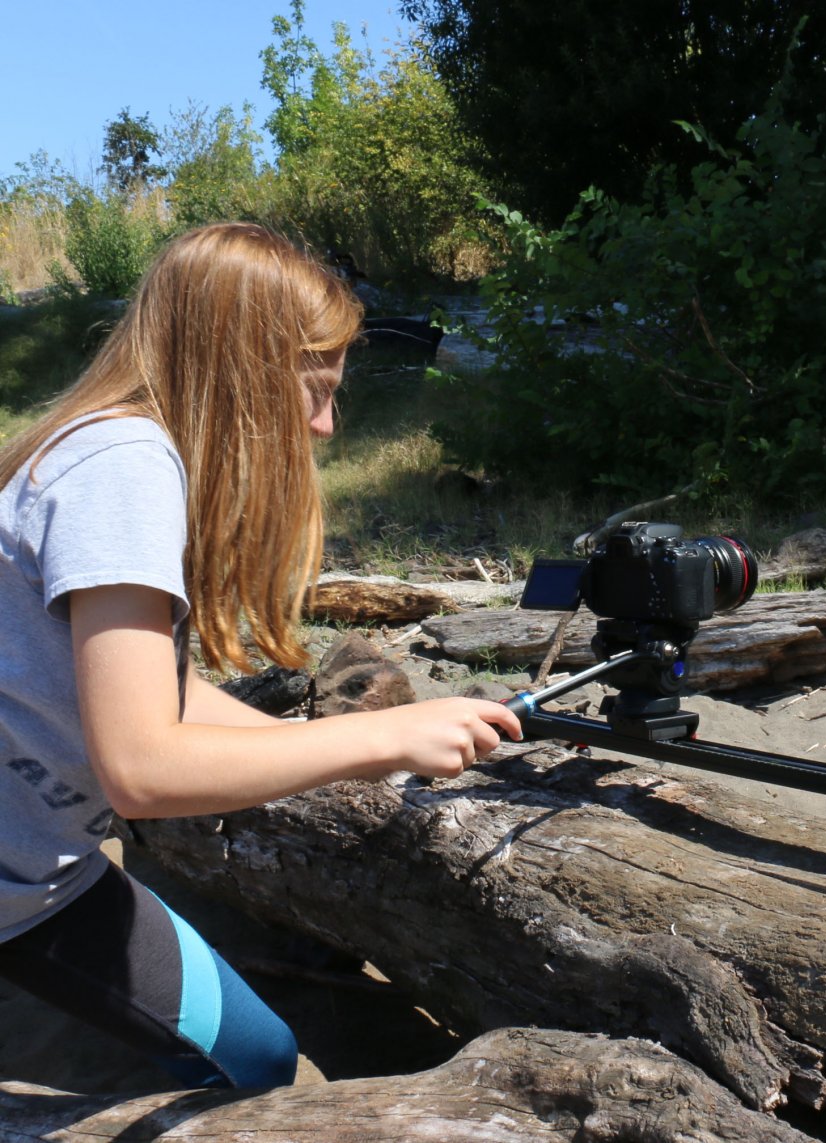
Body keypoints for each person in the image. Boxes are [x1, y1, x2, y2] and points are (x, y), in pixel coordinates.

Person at [0, 222, 521, 1089]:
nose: (325, 426)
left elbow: (165, 693)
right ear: (238, 372)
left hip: (43, 882)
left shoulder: (119, 452)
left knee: (259, 1053)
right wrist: (385, 739)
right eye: (315, 393)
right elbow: (141, 765)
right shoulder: (122, 468)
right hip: (26, 888)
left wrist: (343, 765)